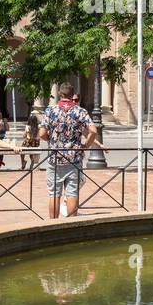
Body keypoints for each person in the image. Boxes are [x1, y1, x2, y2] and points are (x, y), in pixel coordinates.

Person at [39, 83, 105, 219]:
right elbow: (93, 131)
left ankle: (53, 224)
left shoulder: (50, 111)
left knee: (54, 194)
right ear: (72, 95)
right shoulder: (80, 111)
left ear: (60, 94)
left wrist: (50, 140)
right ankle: (70, 223)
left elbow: (41, 134)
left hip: (55, 158)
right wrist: (85, 146)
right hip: (74, 158)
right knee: (72, 193)